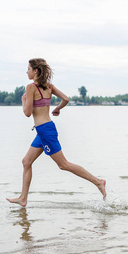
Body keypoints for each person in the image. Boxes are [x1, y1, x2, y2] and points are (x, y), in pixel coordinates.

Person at [6, 58, 107, 207]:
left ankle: (98, 182)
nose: (26, 71)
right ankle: (23, 198)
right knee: (26, 162)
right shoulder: (49, 87)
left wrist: (23, 100)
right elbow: (66, 99)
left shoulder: (30, 87)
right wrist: (57, 108)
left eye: (28, 69)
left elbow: (27, 113)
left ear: (36, 71)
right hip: (43, 130)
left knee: (63, 164)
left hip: (45, 131)